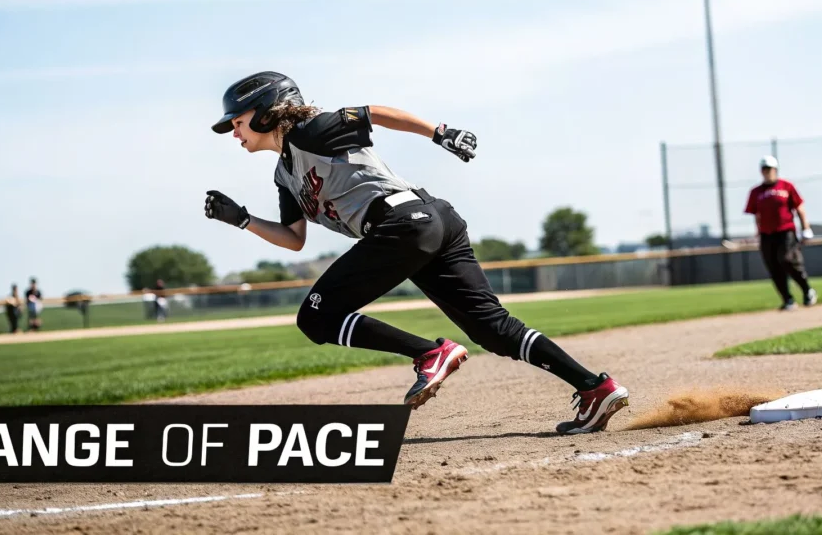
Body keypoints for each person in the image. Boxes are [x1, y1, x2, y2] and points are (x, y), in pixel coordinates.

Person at [204, 72, 629, 435]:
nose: (235, 133)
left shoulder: (310, 131)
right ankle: (595, 387)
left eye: (237, 122)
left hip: (404, 224)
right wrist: (242, 219)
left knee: (315, 317)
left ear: (264, 112)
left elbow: (374, 113)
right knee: (492, 329)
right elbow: (293, 238)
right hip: (426, 223)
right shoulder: (285, 173)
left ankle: (430, 353)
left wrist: (439, 133)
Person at [744, 156, 817, 311]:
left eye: (770, 169)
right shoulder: (756, 192)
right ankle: (788, 299)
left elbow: (799, 208)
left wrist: (806, 228)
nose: (767, 172)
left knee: (788, 260)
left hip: (786, 231)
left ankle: (807, 290)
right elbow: (757, 216)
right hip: (766, 234)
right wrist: (758, 233)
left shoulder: (786, 186)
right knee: (773, 266)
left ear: (775, 170)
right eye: (764, 169)